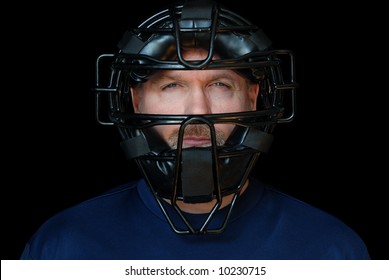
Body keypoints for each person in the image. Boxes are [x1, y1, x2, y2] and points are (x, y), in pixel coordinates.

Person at [20, 0, 370, 260]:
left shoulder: (331, 249)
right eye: (171, 86)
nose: (197, 111)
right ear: (136, 100)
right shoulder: (63, 246)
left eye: (219, 84)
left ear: (253, 97)